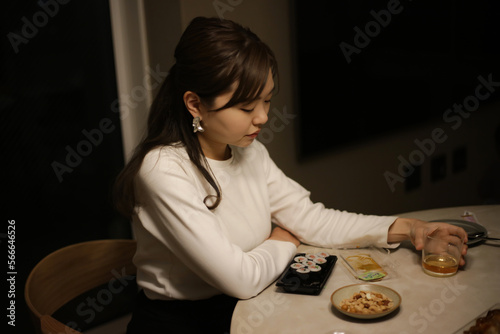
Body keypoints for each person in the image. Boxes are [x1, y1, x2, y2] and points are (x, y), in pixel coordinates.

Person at [113, 16, 468, 334]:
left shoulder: (249, 151)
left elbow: (313, 220)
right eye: (247, 106)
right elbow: (240, 278)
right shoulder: (163, 170)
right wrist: (284, 239)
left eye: (267, 101)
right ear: (194, 104)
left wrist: (410, 229)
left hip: (251, 309)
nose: (263, 117)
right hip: (183, 325)